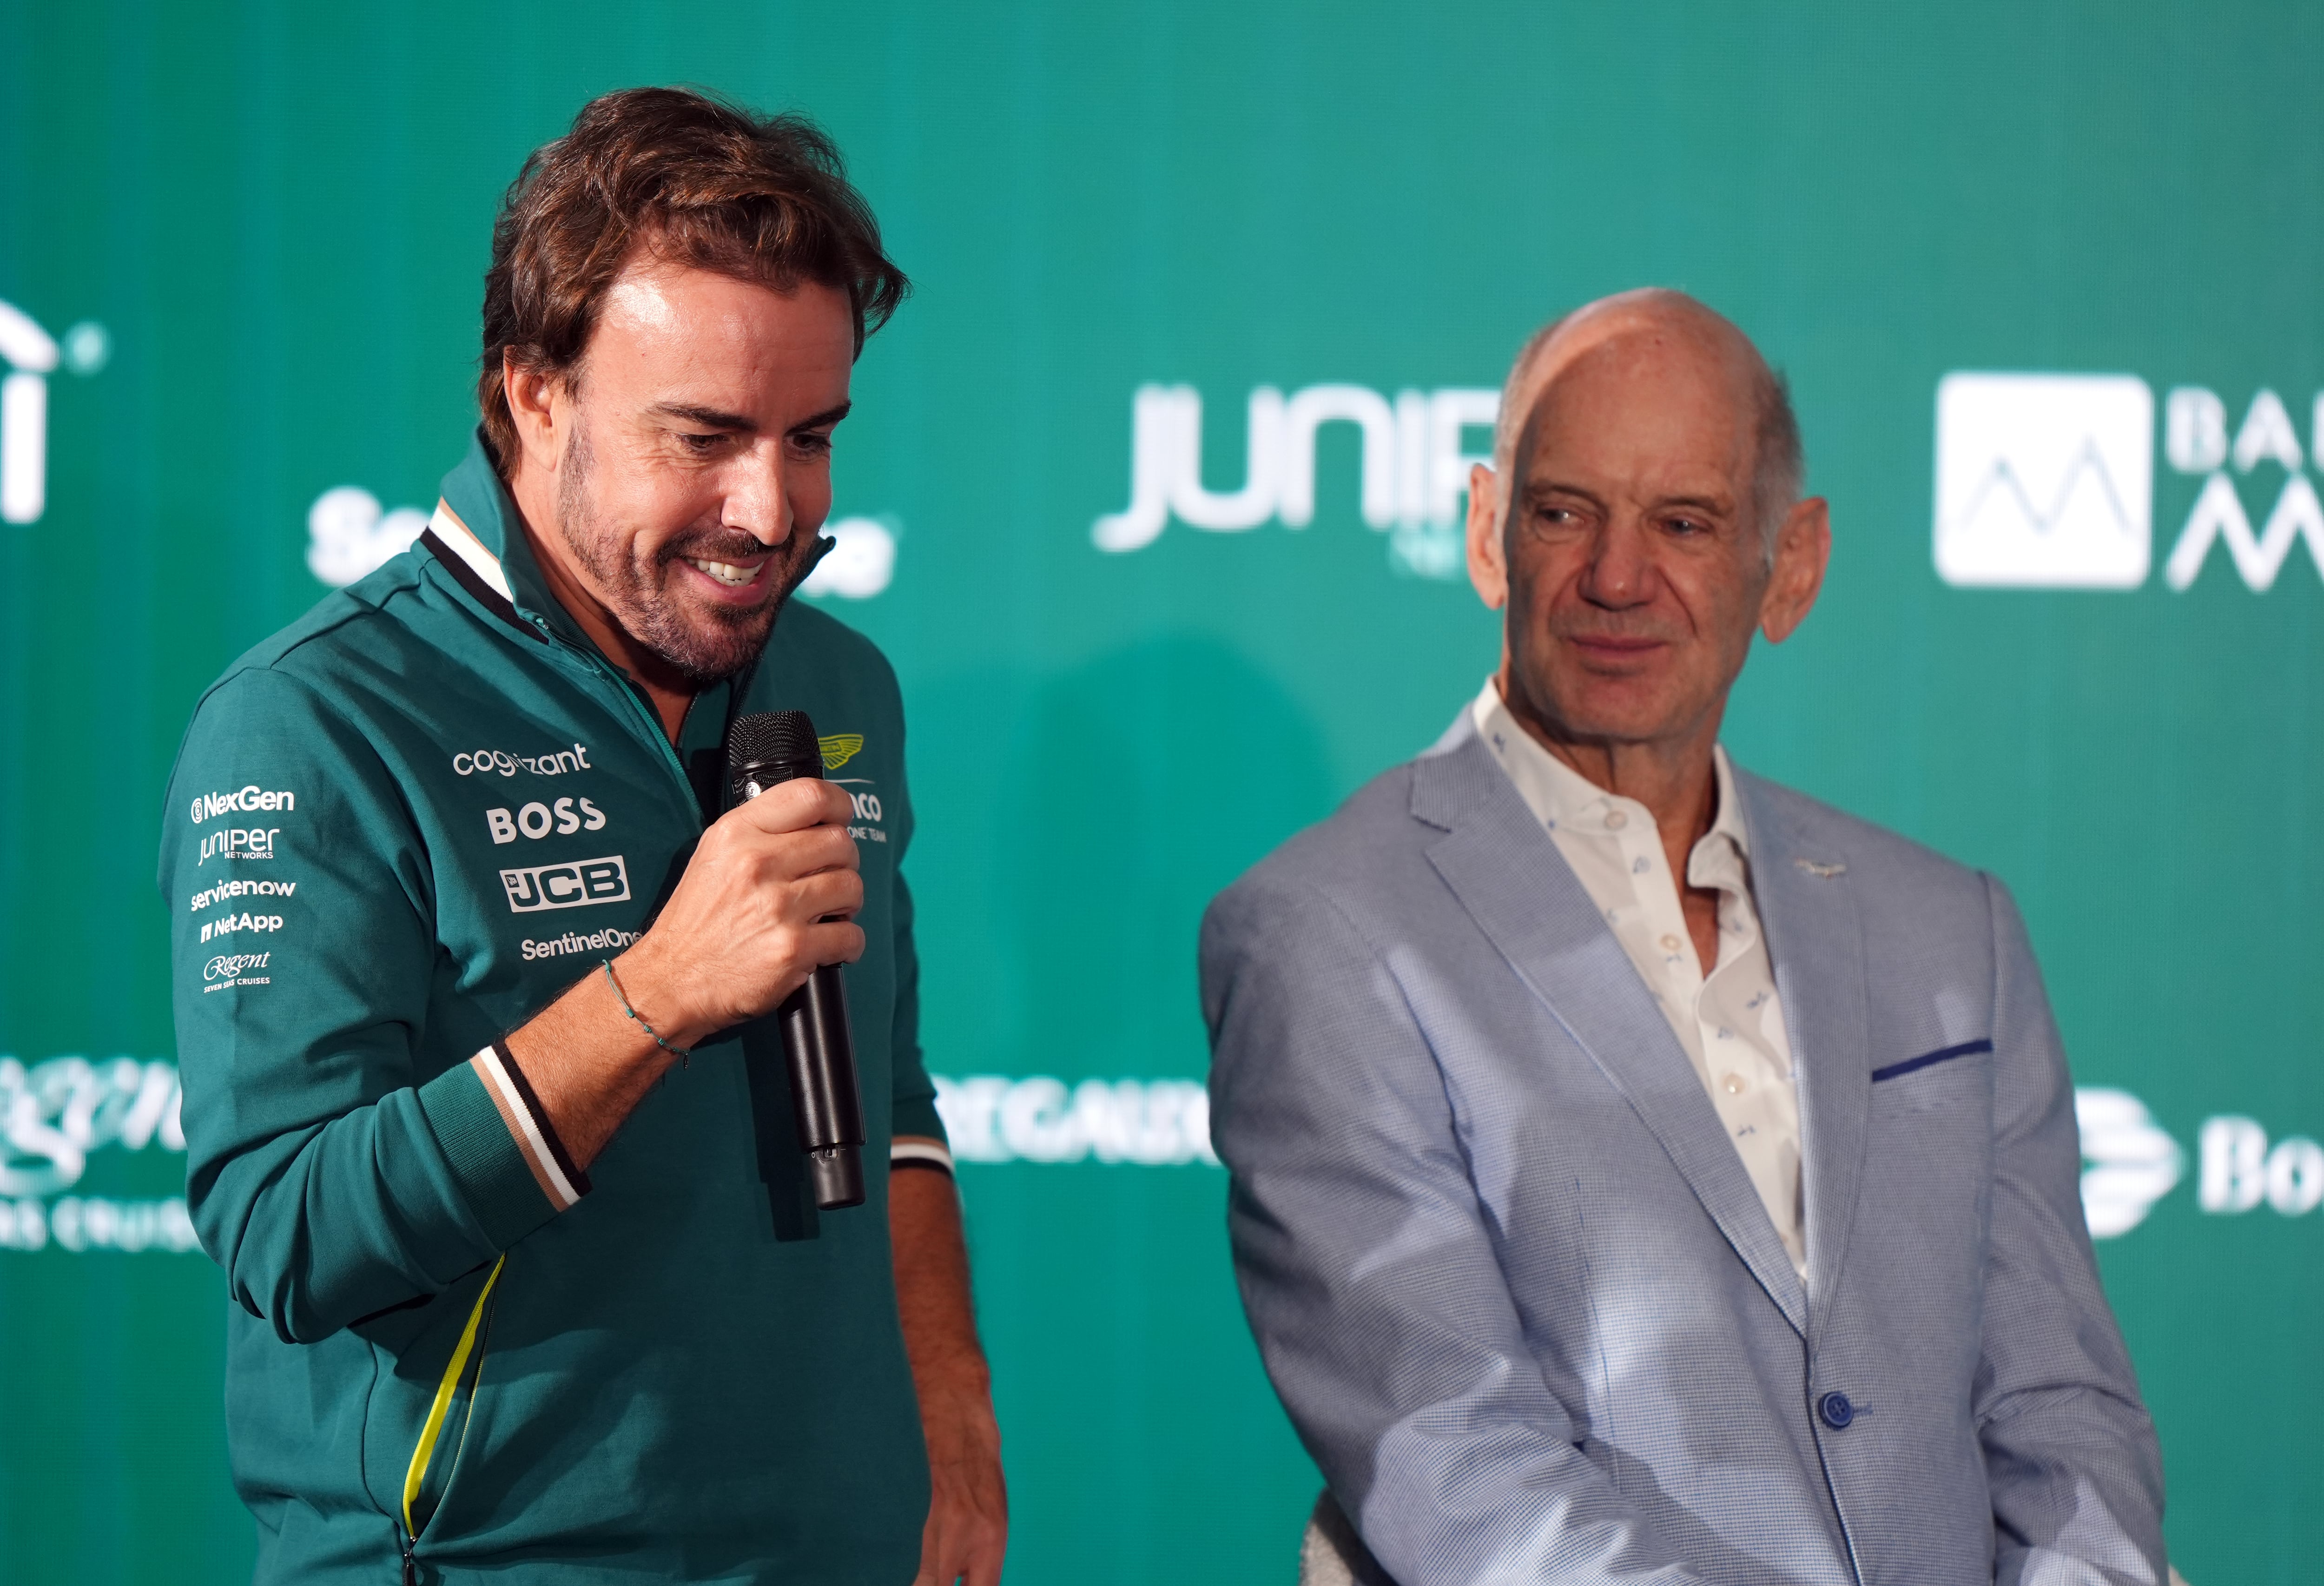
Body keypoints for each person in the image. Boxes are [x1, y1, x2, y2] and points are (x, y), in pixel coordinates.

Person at [160, 88, 1004, 1586]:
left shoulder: (836, 680)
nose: (773, 510)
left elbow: (891, 1097)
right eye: (706, 435)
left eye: (811, 437)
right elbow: (287, 1232)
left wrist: (947, 1407)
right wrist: (654, 994)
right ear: (533, 393)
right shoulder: (315, 721)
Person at [1200, 290, 2167, 1585]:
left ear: (1794, 565)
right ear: (1488, 534)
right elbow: (1456, 1463)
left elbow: (2061, 1411)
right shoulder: (1327, 930)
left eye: (1685, 522)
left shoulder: (1951, 932)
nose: (1615, 576)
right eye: (1564, 512)